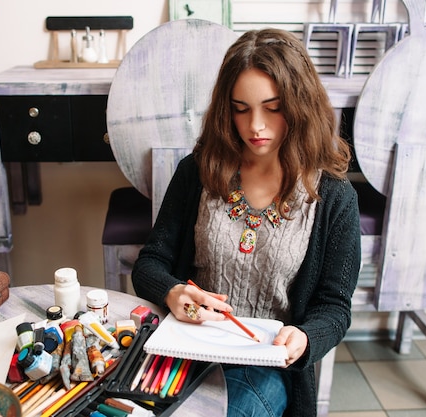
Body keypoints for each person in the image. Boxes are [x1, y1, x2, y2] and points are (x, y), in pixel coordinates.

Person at [132, 28, 361, 417]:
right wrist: (173, 292)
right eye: (241, 108)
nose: (256, 125)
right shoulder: (197, 173)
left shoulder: (334, 198)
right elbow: (150, 263)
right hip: (188, 347)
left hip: (265, 365)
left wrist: (305, 337)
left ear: (300, 105)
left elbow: (335, 307)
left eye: (272, 108)